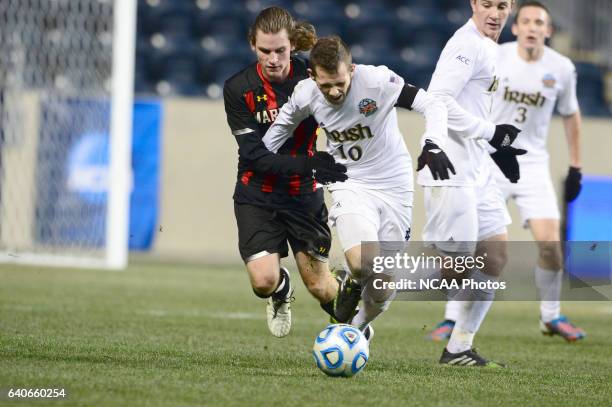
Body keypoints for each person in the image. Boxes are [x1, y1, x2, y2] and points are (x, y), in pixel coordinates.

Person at [263, 35, 454, 341]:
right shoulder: (305, 94)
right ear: (312, 77)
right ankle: (352, 283)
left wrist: (433, 143)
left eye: (340, 82)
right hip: (349, 182)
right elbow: (272, 139)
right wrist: (276, 166)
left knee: (383, 284)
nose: (335, 91)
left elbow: (431, 104)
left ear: (351, 69)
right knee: (363, 262)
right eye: (326, 86)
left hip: (394, 185)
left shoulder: (378, 81)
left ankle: (356, 329)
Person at [429, 1, 585, 343]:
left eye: (539, 22)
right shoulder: (493, 52)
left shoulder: (561, 68)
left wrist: (576, 165)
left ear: (549, 30)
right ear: (517, 27)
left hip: (531, 163)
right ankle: (450, 319)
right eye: (526, 21)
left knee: (550, 246)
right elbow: (447, 97)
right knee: (470, 251)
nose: (531, 27)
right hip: (489, 155)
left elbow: (571, 114)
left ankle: (551, 316)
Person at [222, 7, 359, 339]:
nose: (273, 58)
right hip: (257, 192)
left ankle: (346, 308)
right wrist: (311, 163)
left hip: (302, 195)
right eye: (265, 50)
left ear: (293, 46)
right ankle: (281, 290)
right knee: (262, 282)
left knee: (321, 289)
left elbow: (345, 112)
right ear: (253, 45)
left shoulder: (311, 79)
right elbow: (255, 156)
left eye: (280, 51)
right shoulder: (238, 89)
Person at [418, 0, 525, 367]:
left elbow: (476, 108)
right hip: (449, 163)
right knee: (456, 267)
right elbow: (439, 100)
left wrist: (496, 148)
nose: (495, 13)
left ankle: (459, 346)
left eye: (503, 5)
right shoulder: (465, 44)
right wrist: (490, 133)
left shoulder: (490, 48)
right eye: (487, 5)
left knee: (494, 257)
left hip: (477, 165)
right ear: (473, 5)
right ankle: (370, 279)